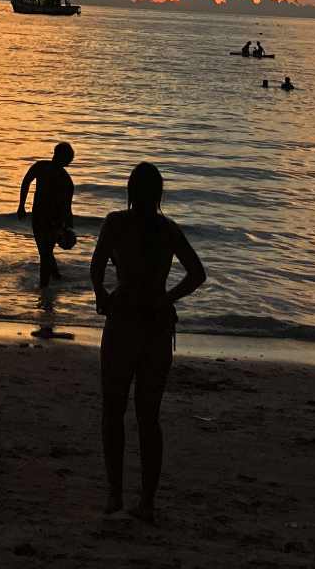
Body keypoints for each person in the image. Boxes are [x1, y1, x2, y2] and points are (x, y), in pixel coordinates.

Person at [89, 163, 206, 523]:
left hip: (124, 319)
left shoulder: (115, 223)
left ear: (130, 190)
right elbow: (197, 274)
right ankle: (147, 502)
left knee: (113, 410)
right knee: (148, 416)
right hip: (156, 323)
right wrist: (166, 298)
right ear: (159, 194)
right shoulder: (168, 229)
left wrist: (102, 296)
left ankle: (114, 495)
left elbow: (96, 267)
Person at [18, 143, 76, 287]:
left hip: (52, 221)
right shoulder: (44, 168)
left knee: (45, 253)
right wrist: (21, 205)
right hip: (41, 218)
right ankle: (53, 280)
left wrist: (68, 228)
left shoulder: (63, 178)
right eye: (69, 159)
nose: (70, 162)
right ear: (60, 156)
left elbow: (67, 208)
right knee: (45, 252)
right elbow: (26, 182)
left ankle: (45, 286)